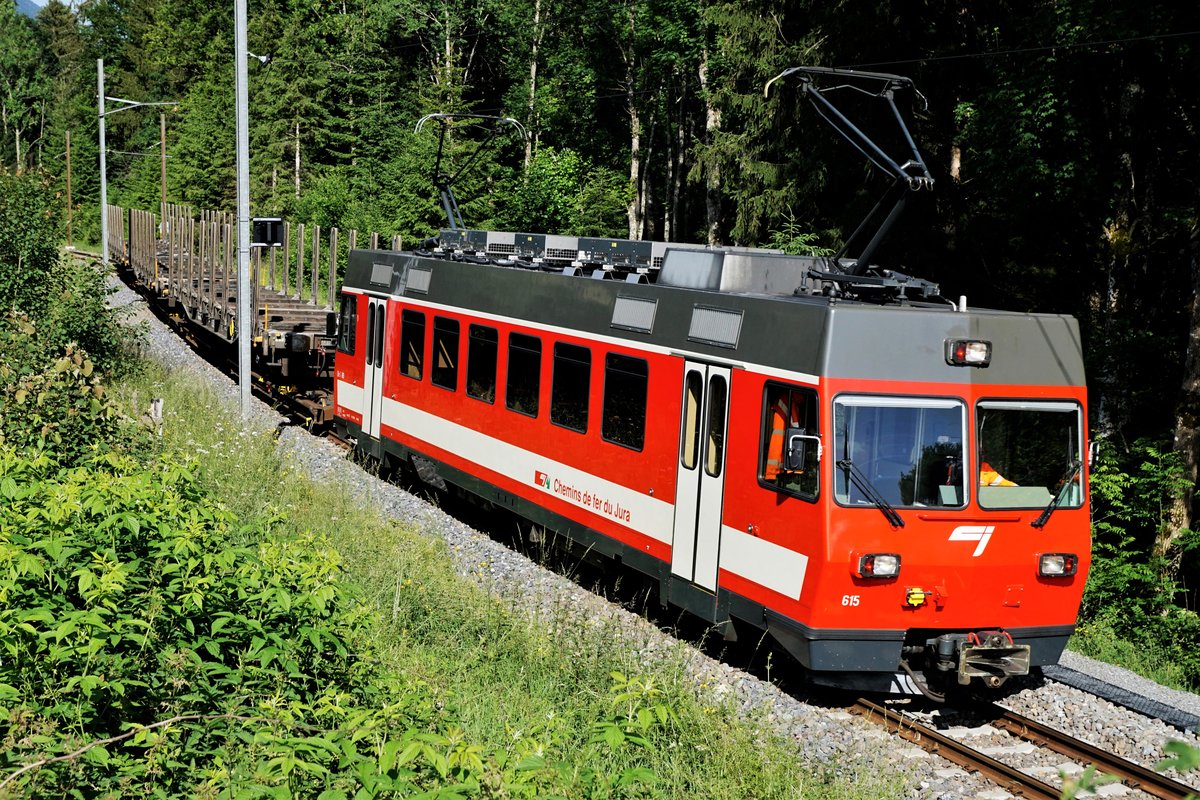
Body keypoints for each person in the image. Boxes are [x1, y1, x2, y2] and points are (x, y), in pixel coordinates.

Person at [765, 391, 802, 483]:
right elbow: (795, 434)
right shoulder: (789, 402)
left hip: (780, 466)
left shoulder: (791, 400)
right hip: (780, 468)